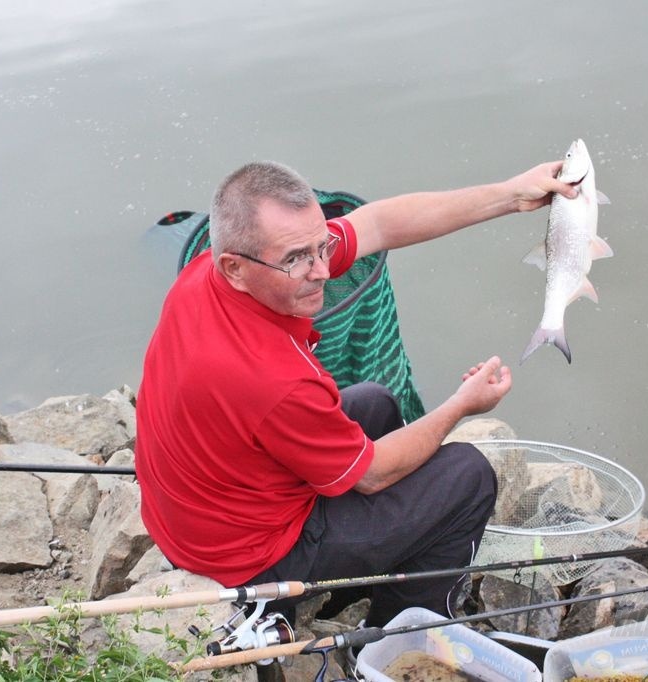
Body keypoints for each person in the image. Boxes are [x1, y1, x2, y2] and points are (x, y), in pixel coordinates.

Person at [134, 159, 578, 628]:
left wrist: (511, 194)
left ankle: (388, 568)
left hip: (196, 508)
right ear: (236, 267)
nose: (322, 270)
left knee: (375, 402)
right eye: (296, 259)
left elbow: (379, 224)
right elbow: (371, 474)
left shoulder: (208, 274)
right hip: (248, 559)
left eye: (321, 246)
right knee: (467, 475)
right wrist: (462, 404)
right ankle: (399, 629)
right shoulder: (272, 378)